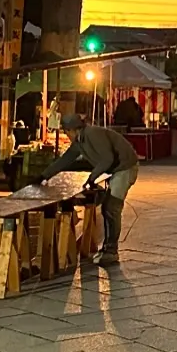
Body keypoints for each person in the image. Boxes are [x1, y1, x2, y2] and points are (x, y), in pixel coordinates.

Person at [44, 112, 139, 264]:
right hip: (117, 169)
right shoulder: (80, 141)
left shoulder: (92, 134)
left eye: (66, 132)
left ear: (72, 130)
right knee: (107, 206)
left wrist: (92, 177)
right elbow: (65, 160)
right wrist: (44, 176)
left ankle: (111, 251)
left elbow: (107, 159)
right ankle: (108, 248)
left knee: (111, 207)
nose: (66, 135)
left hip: (125, 168)